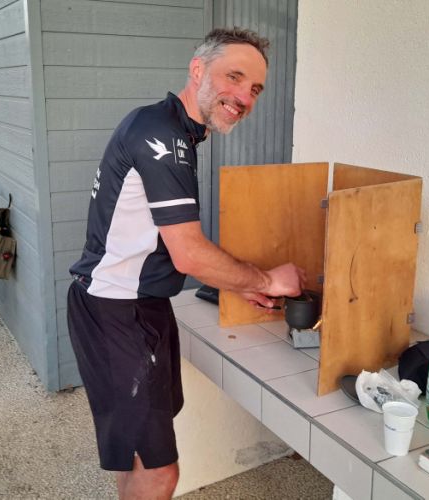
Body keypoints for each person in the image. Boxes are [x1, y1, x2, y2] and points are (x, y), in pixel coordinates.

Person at [67, 27, 306, 500]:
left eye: (255, 88)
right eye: (234, 77)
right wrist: (267, 280)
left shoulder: (174, 131)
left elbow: (173, 245)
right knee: (160, 472)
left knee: (138, 453)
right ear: (198, 70)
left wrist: (238, 284)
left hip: (138, 306)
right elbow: (189, 252)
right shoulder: (161, 134)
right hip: (117, 310)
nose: (244, 97)